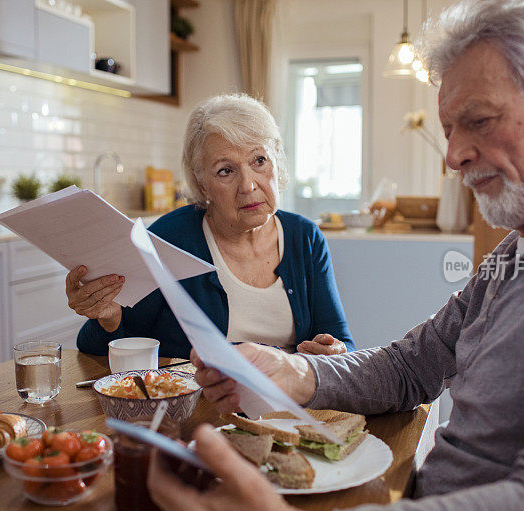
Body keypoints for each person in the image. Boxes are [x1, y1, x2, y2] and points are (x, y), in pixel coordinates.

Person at [146, 1, 524, 511]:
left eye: (478, 121)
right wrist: (293, 371)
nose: (454, 154)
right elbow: (410, 367)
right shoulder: (516, 252)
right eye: (449, 129)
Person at [67, 93, 354, 357]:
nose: (248, 185)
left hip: (287, 404)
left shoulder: (305, 237)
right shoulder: (169, 239)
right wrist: (108, 319)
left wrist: (335, 351)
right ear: (202, 183)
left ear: (276, 159)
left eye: (259, 160)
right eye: (226, 171)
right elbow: (99, 348)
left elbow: (343, 342)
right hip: (199, 406)